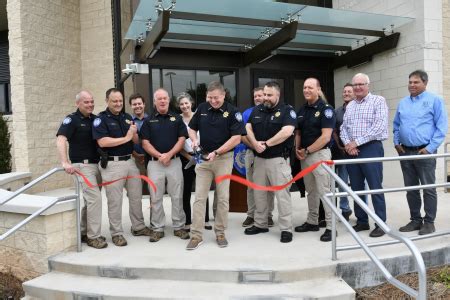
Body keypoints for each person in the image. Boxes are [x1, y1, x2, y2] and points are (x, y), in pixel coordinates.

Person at [185, 81, 245, 250]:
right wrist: (194, 140)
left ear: (223, 95)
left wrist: (217, 152)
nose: (213, 101)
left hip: (223, 159)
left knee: (223, 197)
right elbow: (191, 128)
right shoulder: (202, 108)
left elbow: (237, 138)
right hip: (203, 159)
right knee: (199, 197)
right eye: (210, 98)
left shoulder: (233, 112)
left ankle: (220, 232)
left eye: (216, 98)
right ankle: (196, 235)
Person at [92, 88, 152, 247]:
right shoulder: (101, 119)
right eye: (114, 101)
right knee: (115, 201)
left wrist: (135, 136)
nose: (118, 104)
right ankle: (117, 233)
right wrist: (127, 137)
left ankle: (138, 227)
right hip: (112, 164)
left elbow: (134, 141)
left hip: (130, 162)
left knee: (136, 196)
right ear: (107, 101)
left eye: (120, 101)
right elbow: (103, 142)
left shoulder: (126, 117)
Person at [394, 70, 448, 235]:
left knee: (429, 188)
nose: (412, 85)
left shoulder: (435, 100)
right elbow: (396, 124)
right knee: (411, 189)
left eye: (416, 82)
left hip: (424, 152)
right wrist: (396, 142)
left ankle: (429, 222)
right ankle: (415, 220)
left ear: (425, 83)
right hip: (405, 151)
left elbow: (441, 128)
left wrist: (430, 148)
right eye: (410, 82)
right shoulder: (403, 102)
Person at [244, 81, 296, 243]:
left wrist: (266, 144)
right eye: (264, 94)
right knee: (259, 194)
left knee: (282, 196)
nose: (265, 97)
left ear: (277, 95)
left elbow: (287, 131)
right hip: (259, 160)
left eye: (269, 95)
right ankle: (261, 223)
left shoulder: (287, 110)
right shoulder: (257, 110)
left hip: (278, 160)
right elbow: (247, 128)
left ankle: (286, 229)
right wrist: (254, 143)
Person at [340, 73, 388, 238]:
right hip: (352, 151)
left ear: (368, 85)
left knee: (375, 186)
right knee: (356, 187)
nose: (358, 87)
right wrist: (348, 144)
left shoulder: (378, 101)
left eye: (361, 84)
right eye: (355, 85)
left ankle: (380, 223)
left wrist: (356, 142)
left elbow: (379, 126)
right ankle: (362, 221)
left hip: (371, 148)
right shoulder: (350, 105)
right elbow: (343, 128)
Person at [56, 90, 106, 249]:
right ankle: (94, 237)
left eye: (92, 101)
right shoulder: (71, 120)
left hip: (96, 165)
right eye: (86, 102)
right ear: (78, 103)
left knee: (89, 201)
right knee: (95, 199)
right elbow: (61, 139)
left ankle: (85, 232)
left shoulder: (96, 119)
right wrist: (65, 162)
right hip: (81, 166)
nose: (90, 104)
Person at [140, 88, 189, 242]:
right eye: (159, 99)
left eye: (164, 98)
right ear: (155, 102)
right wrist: (160, 155)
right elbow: (144, 142)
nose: (162, 101)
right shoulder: (148, 120)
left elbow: (182, 139)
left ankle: (179, 226)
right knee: (155, 197)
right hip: (155, 164)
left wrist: (168, 155)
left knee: (177, 195)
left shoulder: (177, 118)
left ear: (168, 100)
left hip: (174, 161)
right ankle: (157, 228)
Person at [294, 78, 335, 242]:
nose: (306, 90)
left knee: (325, 191)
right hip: (305, 156)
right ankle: (312, 221)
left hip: (320, 156)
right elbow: (298, 132)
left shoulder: (326, 109)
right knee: (311, 191)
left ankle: (331, 227)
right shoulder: (302, 109)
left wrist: (308, 150)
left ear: (318, 89)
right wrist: (298, 149)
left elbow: (326, 137)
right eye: (304, 87)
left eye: (310, 87)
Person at [177, 92, 213, 232]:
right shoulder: (178, 120)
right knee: (186, 190)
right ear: (179, 106)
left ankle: (205, 220)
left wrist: (201, 156)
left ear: (191, 103)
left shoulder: (200, 117)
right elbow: (178, 142)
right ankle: (187, 221)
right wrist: (188, 156)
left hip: (202, 156)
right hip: (185, 157)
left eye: (186, 103)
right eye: (181, 104)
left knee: (202, 189)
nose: (184, 106)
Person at [241, 87, 275, 228]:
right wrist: (255, 146)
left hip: (269, 154)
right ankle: (251, 214)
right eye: (255, 96)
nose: (257, 98)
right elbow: (242, 135)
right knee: (251, 186)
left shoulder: (273, 111)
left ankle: (268, 215)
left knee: (268, 187)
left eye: (260, 95)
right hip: (251, 153)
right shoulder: (247, 113)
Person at [331, 83, 354, 221]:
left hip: (357, 151)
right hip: (341, 151)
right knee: (342, 182)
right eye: (344, 91)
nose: (346, 93)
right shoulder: (337, 111)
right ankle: (345, 208)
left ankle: (362, 208)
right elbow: (333, 130)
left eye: (349, 91)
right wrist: (340, 145)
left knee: (360, 184)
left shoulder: (359, 108)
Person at [129, 93, 149, 195]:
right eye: (134, 104)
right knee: (136, 192)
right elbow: (126, 141)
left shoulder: (151, 119)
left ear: (144, 104)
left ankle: (154, 211)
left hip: (150, 159)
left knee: (154, 190)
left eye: (139, 103)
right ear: (131, 106)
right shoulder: (128, 122)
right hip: (135, 160)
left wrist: (147, 154)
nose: (137, 106)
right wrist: (136, 155)